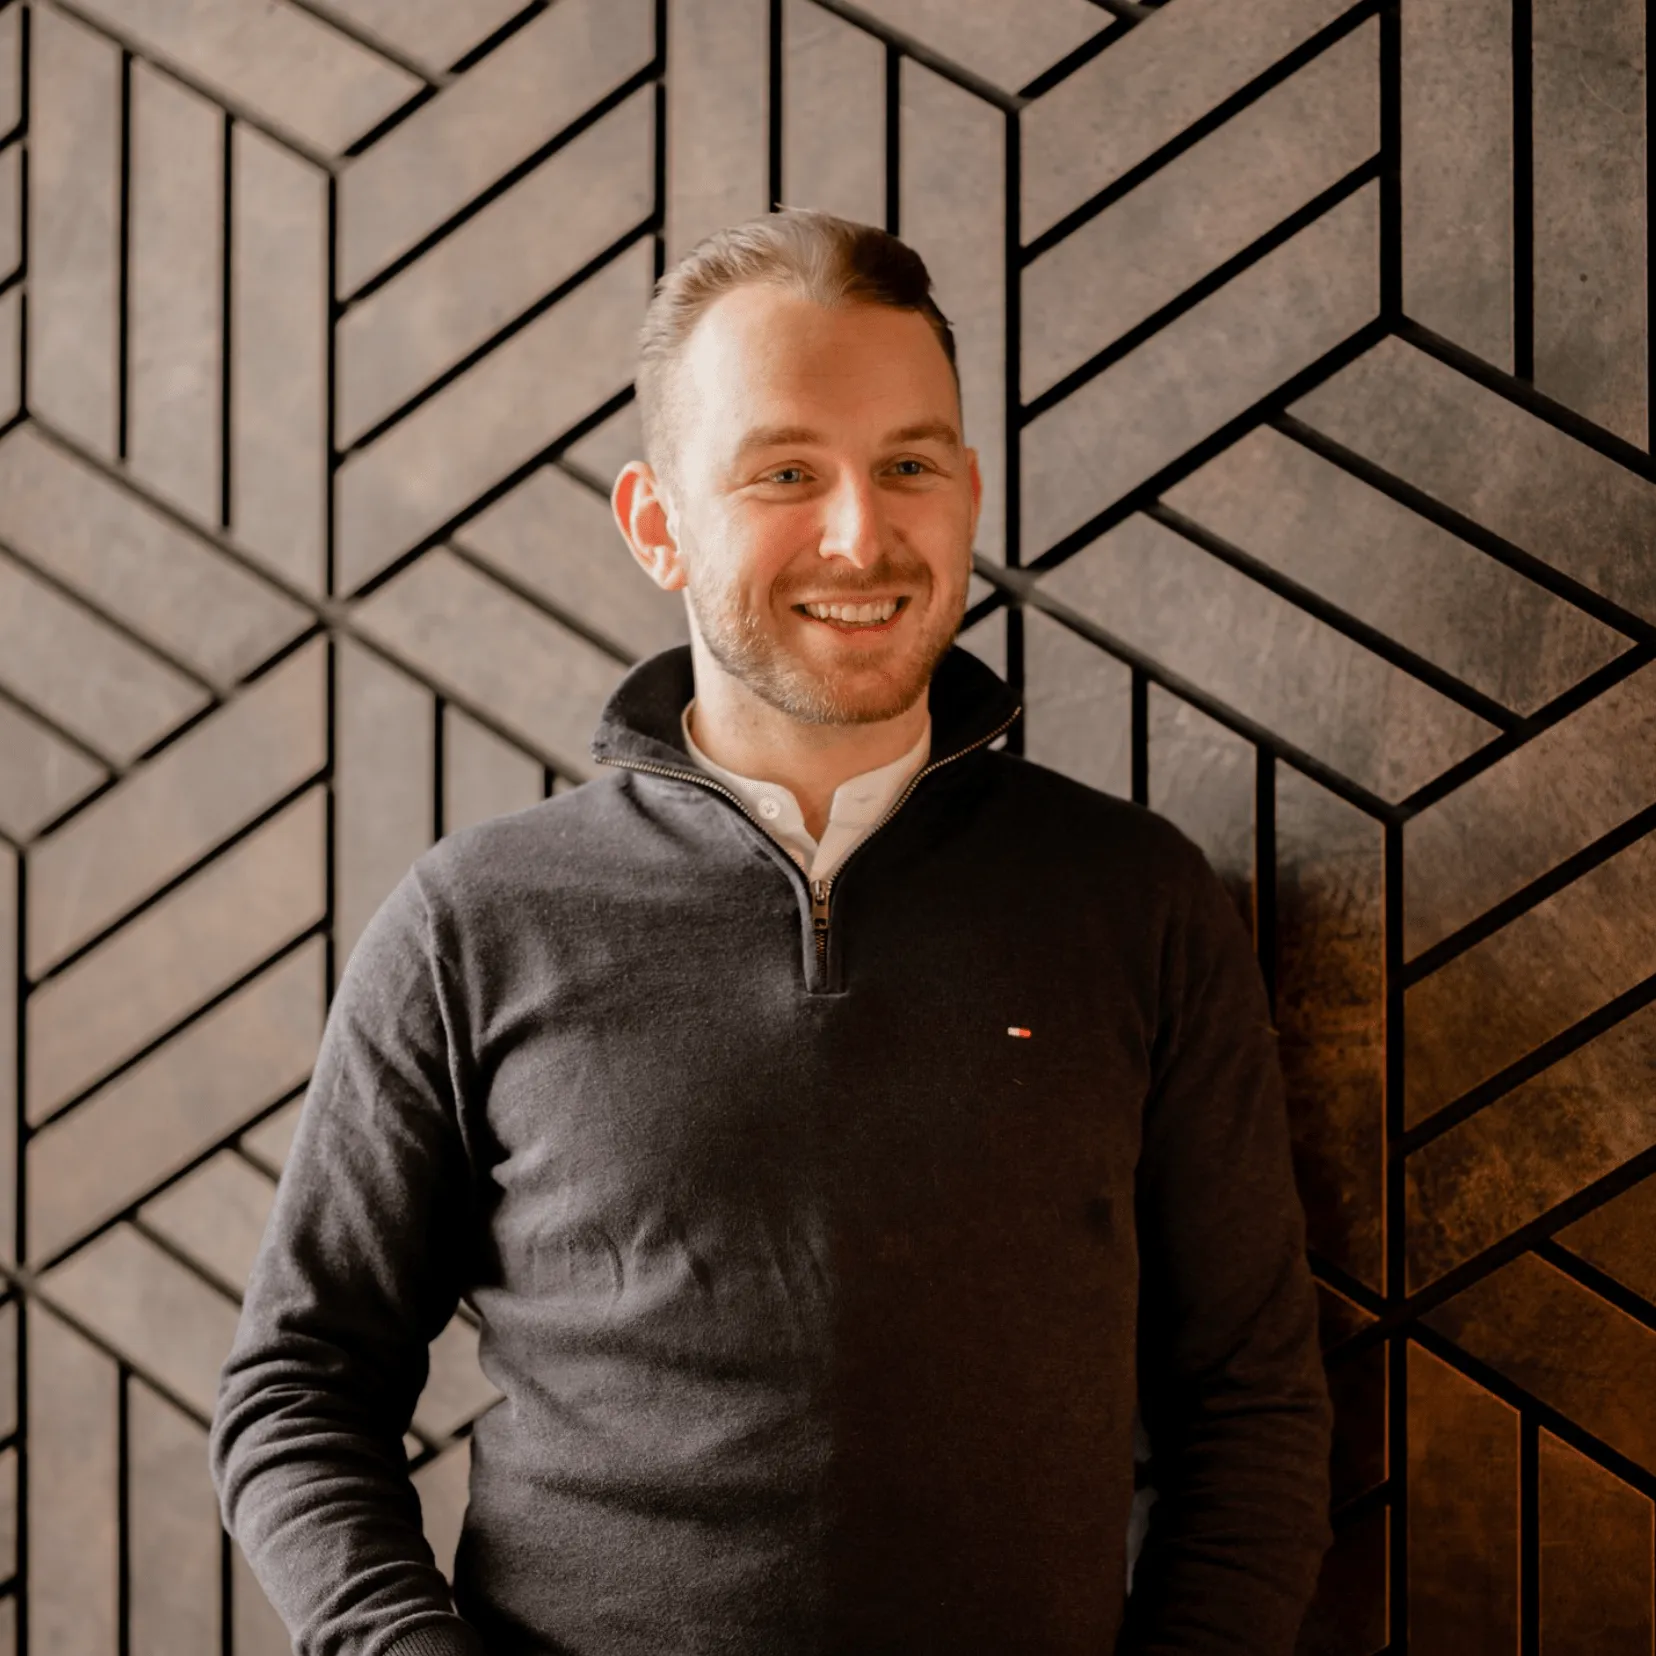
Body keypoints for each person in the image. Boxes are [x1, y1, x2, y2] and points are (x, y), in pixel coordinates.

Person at [210, 208, 1334, 1656]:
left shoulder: (1136, 900)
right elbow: (296, 1389)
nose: (863, 533)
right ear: (657, 525)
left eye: (910, 465)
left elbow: (1252, 1408)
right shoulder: (475, 921)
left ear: (970, 492)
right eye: (785, 473)